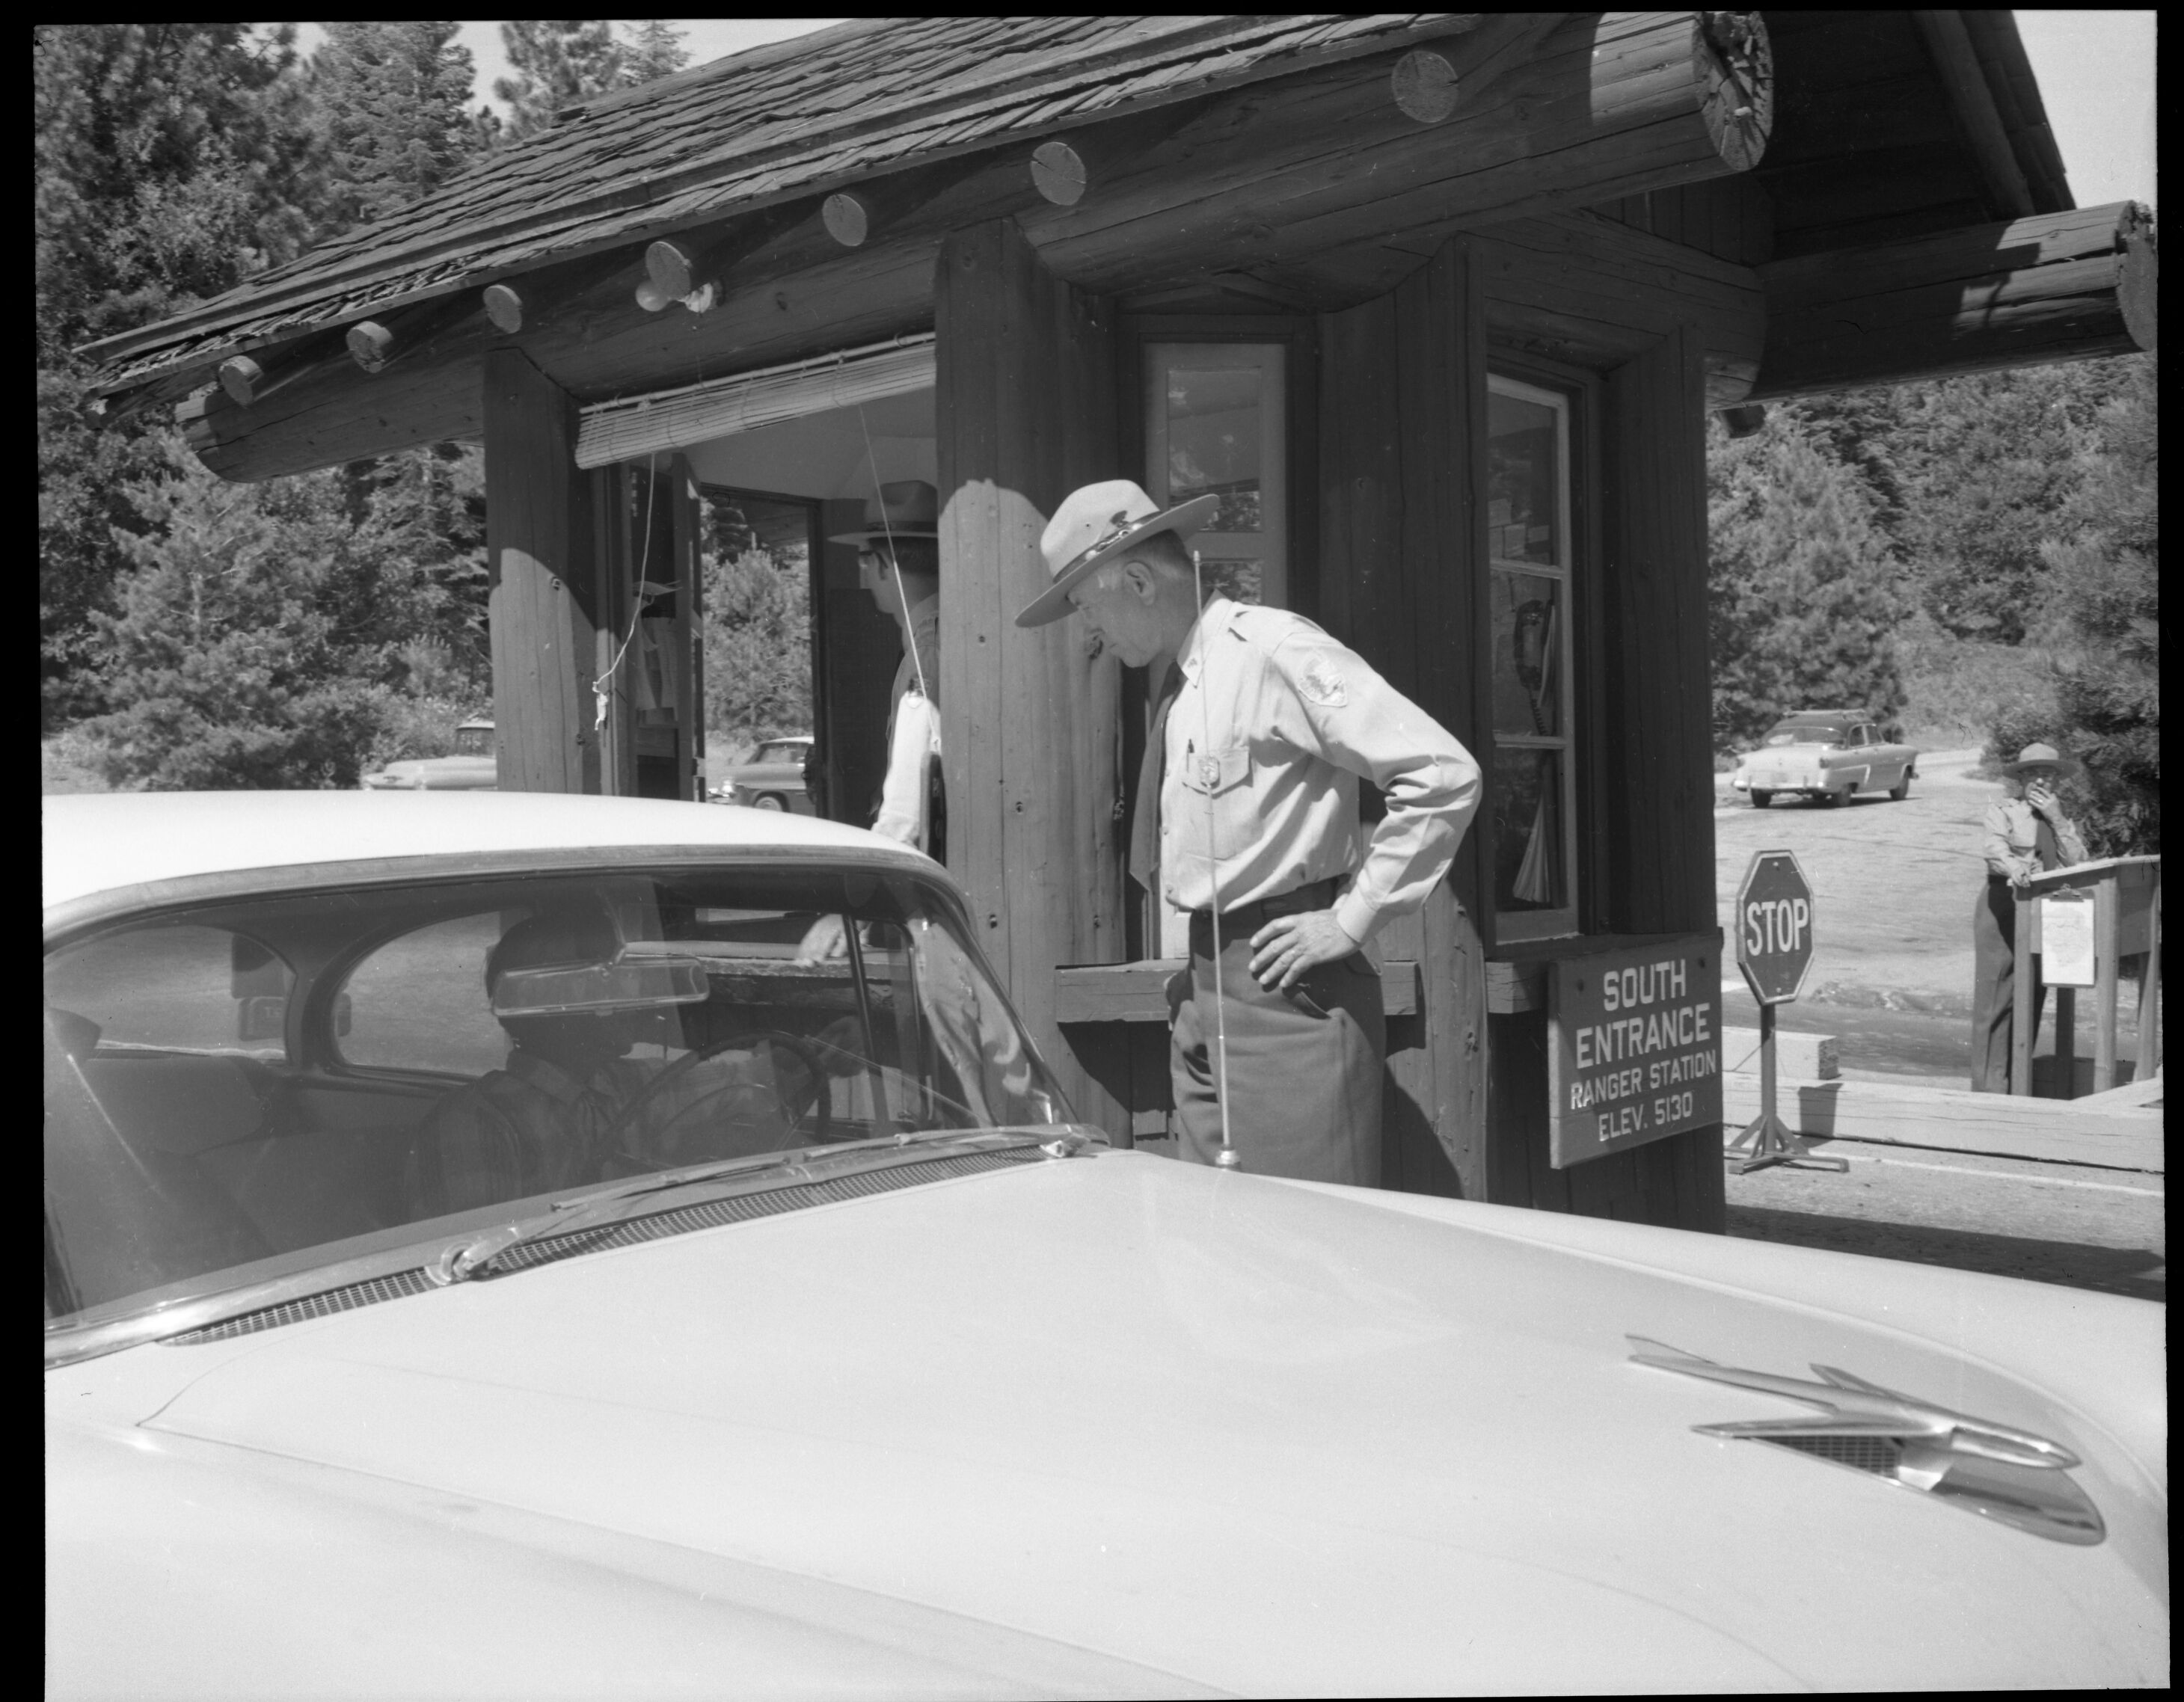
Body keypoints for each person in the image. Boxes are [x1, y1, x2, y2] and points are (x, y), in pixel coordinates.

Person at [1016, 479, 1482, 1185]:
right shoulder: (1186, 685)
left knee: (1305, 1249)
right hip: (1206, 995)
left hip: (1288, 997)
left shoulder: (1270, 652)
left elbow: (1441, 772)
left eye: (1086, 606)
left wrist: (1353, 919)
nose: (1090, 632)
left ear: (1137, 580)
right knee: (1226, 1247)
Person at [411, 906, 658, 1215]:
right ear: (555, 1003)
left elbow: (733, 1080)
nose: (630, 995)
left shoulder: (628, 1083)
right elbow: (479, 1254)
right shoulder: (478, 1121)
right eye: (606, 979)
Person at [800, 480, 943, 964]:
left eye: (867, 560)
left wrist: (849, 911)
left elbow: (903, 816)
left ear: (882, 566)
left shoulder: (925, 657)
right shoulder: (953, 639)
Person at [1969, 741, 2089, 1093]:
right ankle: (1988, 1091)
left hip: (2045, 913)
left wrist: (2056, 818)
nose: (2039, 781)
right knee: (1995, 999)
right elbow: (1993, 850)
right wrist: (2017, 867)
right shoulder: (2003, 811)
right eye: (2032, 774)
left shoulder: (2063, 819)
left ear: (2057, 782)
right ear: (2020, 779)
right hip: (2003, 907)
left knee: (2031, 997)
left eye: (2047, 775)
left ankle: (2017, 1084)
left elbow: (2079, 862)